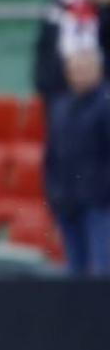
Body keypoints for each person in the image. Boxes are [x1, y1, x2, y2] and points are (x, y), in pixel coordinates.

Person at [43, 49, 110, 276]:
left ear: (98, 71)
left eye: (84, 69)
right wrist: (54, 195)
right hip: (67, 202)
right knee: (74, 272)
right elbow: (52, 156)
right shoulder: (60, 107)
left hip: (100, 203)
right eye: (74, 70)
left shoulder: (105, 105)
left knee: (102, 269)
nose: (79, 75)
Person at [34, 0, 110, 107]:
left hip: (101, 89)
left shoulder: (105, 0)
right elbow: (45, 44)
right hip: (60, 87)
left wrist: (105, 5)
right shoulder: (59, 1)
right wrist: (44, 83)